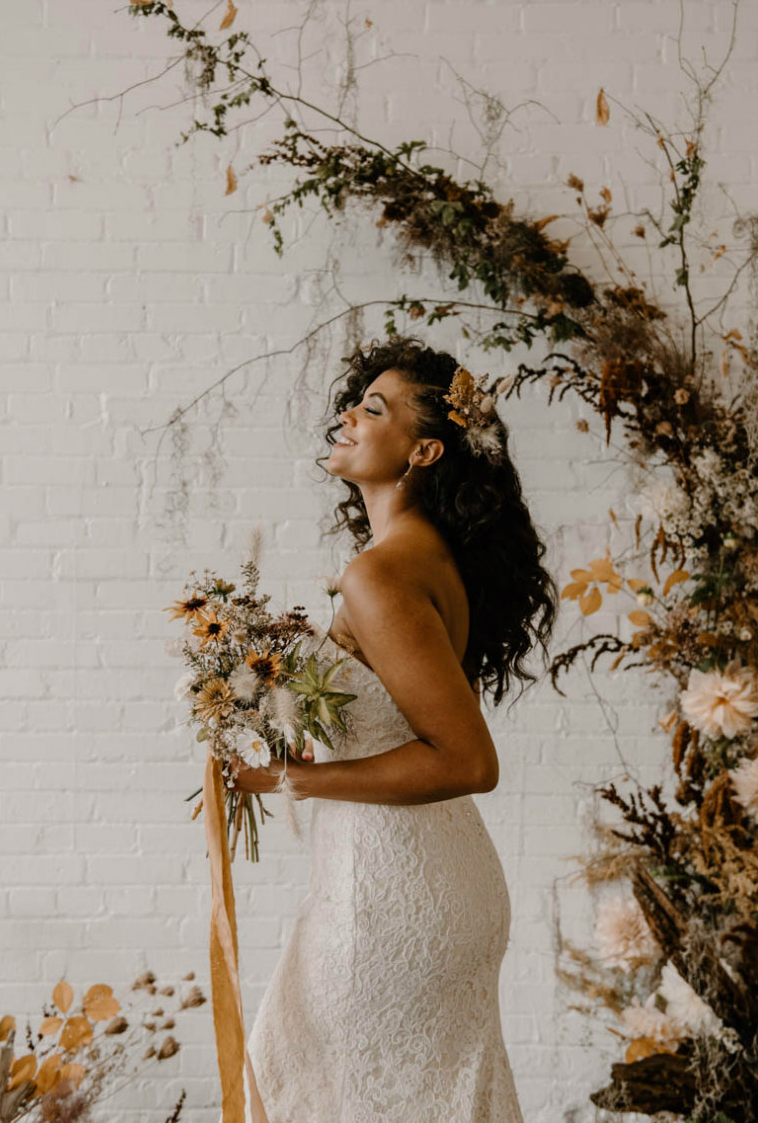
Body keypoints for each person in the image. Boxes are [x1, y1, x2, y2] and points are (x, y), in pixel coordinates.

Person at [230, 335, 559, 1122]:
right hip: (410, 875)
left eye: (373, 408)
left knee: (316, 1085)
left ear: (425, 450)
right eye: (355, 401)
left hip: (393, 892)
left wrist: (294, 779)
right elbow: (394, 718)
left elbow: (467, 760)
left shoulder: (379, 572)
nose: (346, 414)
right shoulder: (417, 556)